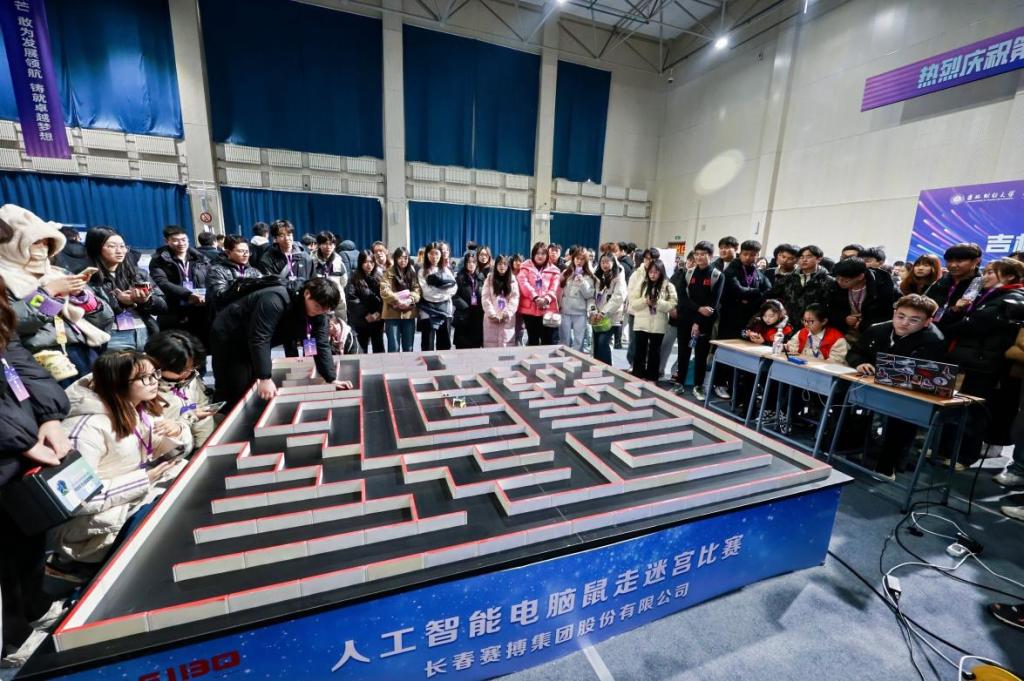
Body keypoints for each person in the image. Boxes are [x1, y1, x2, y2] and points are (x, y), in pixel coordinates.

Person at [53, 351, 190, 574]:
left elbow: (153, 447)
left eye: (155, 374)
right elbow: (76, 499)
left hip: (126, 504)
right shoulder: (85, 429)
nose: (154, 381)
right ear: (117, 382)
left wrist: (178, 431)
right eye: (144, 378)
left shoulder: (139, 408)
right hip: (89, 530)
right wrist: (144, 479)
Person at [0, 273, 72, 662]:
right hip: (12, 445)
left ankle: (33, 604)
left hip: (19, 450)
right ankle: (11, 637)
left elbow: (18, 361)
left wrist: (50, 416)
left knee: (26, 534)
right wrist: (22, 439)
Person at [0, 207, 111, 386]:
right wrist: (48, 294)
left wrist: (82, 297)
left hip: (85, 350)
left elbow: (105, 318)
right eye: (36, 242)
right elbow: (12, 323)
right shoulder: (4, 279)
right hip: (41, 359)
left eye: (46, 243)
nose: (42, 249)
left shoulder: (58, 273)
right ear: (12, 244)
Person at [846, 294, 945, 478]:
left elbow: (927, 374)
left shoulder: (933, 340)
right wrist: (859, 363)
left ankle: (888, 466)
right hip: (871, 386)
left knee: (901, 421)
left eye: (914, 320)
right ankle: (848, 449)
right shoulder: (877, 329)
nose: (904, 323)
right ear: (894, 313)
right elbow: (855, 353)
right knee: (843, 399)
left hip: (908, 395)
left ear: (927, 322)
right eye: (901, 316)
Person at [939, 257, 1024, 469]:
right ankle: (944, 449)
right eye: (985, 272)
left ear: (1009, 276)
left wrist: (951, 325)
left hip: (983, 365)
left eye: (991, 272)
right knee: (953, 408)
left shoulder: (1012, 299)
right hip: (966, 359)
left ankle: (964, 456)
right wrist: (956, 311)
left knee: (973, 413)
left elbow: (974, 325)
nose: (985, 277)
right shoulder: (983, 295)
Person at [211, 278, 348, 408]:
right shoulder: (275, 299)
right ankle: (221, 416)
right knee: (234, 384)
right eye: (318, 307)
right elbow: (260, 337)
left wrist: (331, 378)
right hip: (231, 335)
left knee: (251, 380)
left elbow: (320, 343)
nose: (320, 312)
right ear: (307, 294)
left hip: (255, 339)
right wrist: (264, 377)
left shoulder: (319, 313)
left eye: (326, 309)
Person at [86, 227, 167, 352]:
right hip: (112, 337)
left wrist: (146, 301)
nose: (119, 251)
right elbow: (93, 314)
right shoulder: (88, 277)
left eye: (122, 246)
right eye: (112, 246)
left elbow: (162, 306)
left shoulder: (138, 274)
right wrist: (120, 302)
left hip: (144, 332)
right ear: (96, 248)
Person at [145, 330, 216, 451]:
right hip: (175, 453)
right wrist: (187, 419)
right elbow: (160, 438)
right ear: (159, 364)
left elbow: (202, 408)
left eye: (192, 367)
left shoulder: (191, 378)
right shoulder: (147, 391)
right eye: (183, 369)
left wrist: (204, 447)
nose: (188, 373)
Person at [671, 241, 722, 400]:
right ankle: (679, 383)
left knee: (701, 355)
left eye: (703, 254)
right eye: (697, 254)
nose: (699, 257)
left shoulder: (717, 276)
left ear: (710, 256)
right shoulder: (688, 273)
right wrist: (698, 309)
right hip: (685, 320)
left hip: (704, 322)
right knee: (683, 353)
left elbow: (713, 303)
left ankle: (698, 386)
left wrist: (698, 322)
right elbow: (682, 298)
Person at [148, 226, 210, 344]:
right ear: (166, 241)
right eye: (175, 240)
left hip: (200, 312)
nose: (181, 243)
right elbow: (162, 282)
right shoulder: (159, 260)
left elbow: (209, 278)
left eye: (183, 239)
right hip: (173, 313)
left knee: (200, 348)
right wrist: (187, 295)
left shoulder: (200, 258)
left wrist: (206, 296)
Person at [826, 256, 897, 343]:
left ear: (860, 276)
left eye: (845, 280)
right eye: (837, 278)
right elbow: (831, 309)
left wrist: (863, 324)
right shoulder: (835, 286)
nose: (840, 282)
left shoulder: (881, 285)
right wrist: (844, 318)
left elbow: (885, 315)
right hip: (844, 332)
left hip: (871, 333)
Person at [628, 261, 677, 380]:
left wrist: (658, 303)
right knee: (640, 351)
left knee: (655, 352)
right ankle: (637, 375)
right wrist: (645, 301)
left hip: (658, 324)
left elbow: (673, 304)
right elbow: (633, 303)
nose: (653, 274)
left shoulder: (668, 286)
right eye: (650, 272)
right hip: (641, 323)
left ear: (661, 272)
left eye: (656, 272)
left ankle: (652, 377)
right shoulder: (642, 284)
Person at [770, 245, 834, 325]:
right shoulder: (787, 278)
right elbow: (772, 296)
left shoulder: (828, 281)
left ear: (819, 259)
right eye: (801, 257)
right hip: (787, 324)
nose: (804, 260)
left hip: (813, 325)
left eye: (808, 257)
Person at [925, 242, 982, 330]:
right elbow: (926, 305)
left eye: (959, 261)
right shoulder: (942, 280)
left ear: (976, 261)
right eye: (949, 261)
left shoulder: (979, 284)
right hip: (932, 327)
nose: (953, 265)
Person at [517, 242, 561, 346]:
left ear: (547, 255)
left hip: (547, 310)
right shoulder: (525, 267)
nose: (540, 256)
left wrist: (546, 299)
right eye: (537, 253)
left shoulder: (554, 270)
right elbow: (523, 283)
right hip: (529, 310)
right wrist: (535, 297)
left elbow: (554, 288)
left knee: (547, 341)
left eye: (543, 253)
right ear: (533, 254)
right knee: (533, 340)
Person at [206, 235, 261, 314]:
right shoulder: (216, 271)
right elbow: (219, 297)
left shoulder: (254, 272)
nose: (245, 255)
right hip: (226, 317)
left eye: (247, 251)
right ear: (228, 252)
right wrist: (240, 286)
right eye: (241, 251)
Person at [380, 247, 421, 353]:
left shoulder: (412, 272)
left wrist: (410, 300)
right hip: (392, 313)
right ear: (396, 258)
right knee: (393, 347)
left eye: (406, 258)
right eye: (400, 258)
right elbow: (384, 290)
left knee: (408, 347)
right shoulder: (389, 272)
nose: (403, 260)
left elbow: (417, 290)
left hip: (408, 314)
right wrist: (398, 300)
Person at [589, 253, 627, 365]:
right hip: (597, 316)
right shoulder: (597, 276)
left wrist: (603, 312)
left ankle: (607, 368)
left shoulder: (619, 277)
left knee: (603, 342)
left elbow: (618, 297)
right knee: (596, 343)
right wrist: (593, 311)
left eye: (607, 262)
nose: (604, 265)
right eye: (602, 262)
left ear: (613, 263)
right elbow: (592, 297)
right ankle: (597, 367)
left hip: (611, 317)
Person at [418, 242, 456, 351]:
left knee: (444, 344)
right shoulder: (422, 271)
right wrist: (443, 293)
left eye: (437, 253)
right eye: (431, 253)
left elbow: (454, 288)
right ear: (427, 254)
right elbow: (426, 293)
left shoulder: (446, 270)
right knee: (427, 345)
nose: (434, 256)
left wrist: (439, 292)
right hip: (427, 312)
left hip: (445, 311)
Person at [345, 251, 385, 354]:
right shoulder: (354, 278)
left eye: (371, 262)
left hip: (377, 319)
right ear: (360, 263)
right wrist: (366, 314)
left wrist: (378, 313)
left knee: (379, 349)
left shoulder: (379, 277)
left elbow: (384, 297)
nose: (369, 265)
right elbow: (352, 299)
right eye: (366, 262)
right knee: (361, 350)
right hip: (361, 321)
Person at [258, 220, 312, 292]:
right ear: (275, 239)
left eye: (289, 235)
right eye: (282, 235)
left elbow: (313, 280)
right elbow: (269, 286)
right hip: (281, 296)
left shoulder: (305, 256)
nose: (287, 238)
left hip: (304, 295)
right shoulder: (267, 259)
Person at [558, 249, 596, 352]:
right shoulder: (566, 273)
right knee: (564, 340)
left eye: (582, 259)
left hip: (580, 313)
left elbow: (589, 294)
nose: (579, 261)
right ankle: (563, 359)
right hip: (565, 311)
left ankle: (576, 359)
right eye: (577, 258)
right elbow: (559, 290)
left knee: (579, 341)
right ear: (573, 259)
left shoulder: (589, 276)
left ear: (586, 261)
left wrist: (582, 282)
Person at [481, 255, 519, 348]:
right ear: (496, 266)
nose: (502, 266)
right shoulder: (489, 279)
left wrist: (507, 313)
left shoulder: (512, 280)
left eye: (505, 264)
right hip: (492, 319)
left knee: (506, 348)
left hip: (507, 319)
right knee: (491, 348)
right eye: (500, 264)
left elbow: (515, 298)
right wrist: (492, 314)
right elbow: (485, 298)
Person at [311, 231, 349, 323]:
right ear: (319, 245)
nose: (328, 247)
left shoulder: (339, 263)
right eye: (325, 243)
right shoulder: (311, 262)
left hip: (336, 305)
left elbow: (343, 282)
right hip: (317, 303)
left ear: (335, 245)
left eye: (331, 244)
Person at [452, 252, 485, 349]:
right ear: (465, 263)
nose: (471, 264)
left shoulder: (481, 277)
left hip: (477, 316)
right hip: (464, 316)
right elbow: (454, 296)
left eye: (473, 262)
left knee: (475, 347)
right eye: (468, 262)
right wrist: (465, 306)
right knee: (462, 347)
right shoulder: (459, 277)